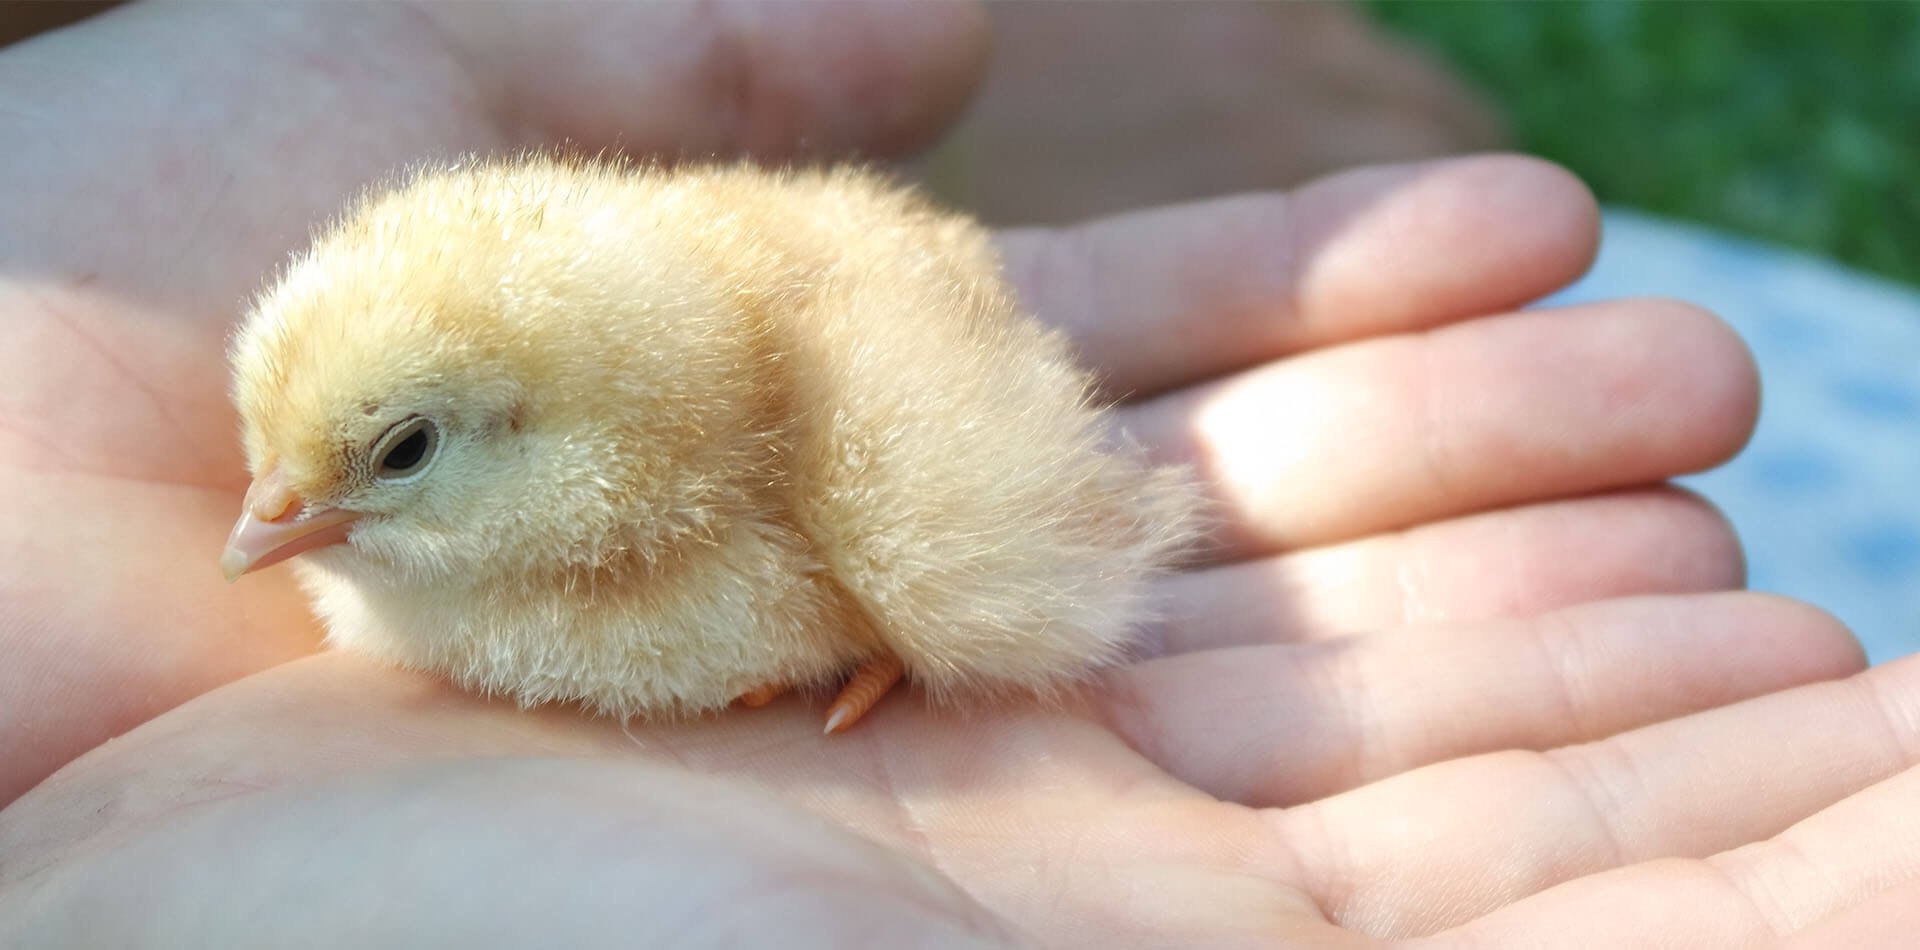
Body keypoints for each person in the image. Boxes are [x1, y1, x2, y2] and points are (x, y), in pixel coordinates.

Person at [0, 3, 1911, 945]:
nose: (272, 522)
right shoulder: (421, 509)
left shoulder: (848, 469)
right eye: (296, 466)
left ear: (580, 438)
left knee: (963, 562)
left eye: (383, 458)